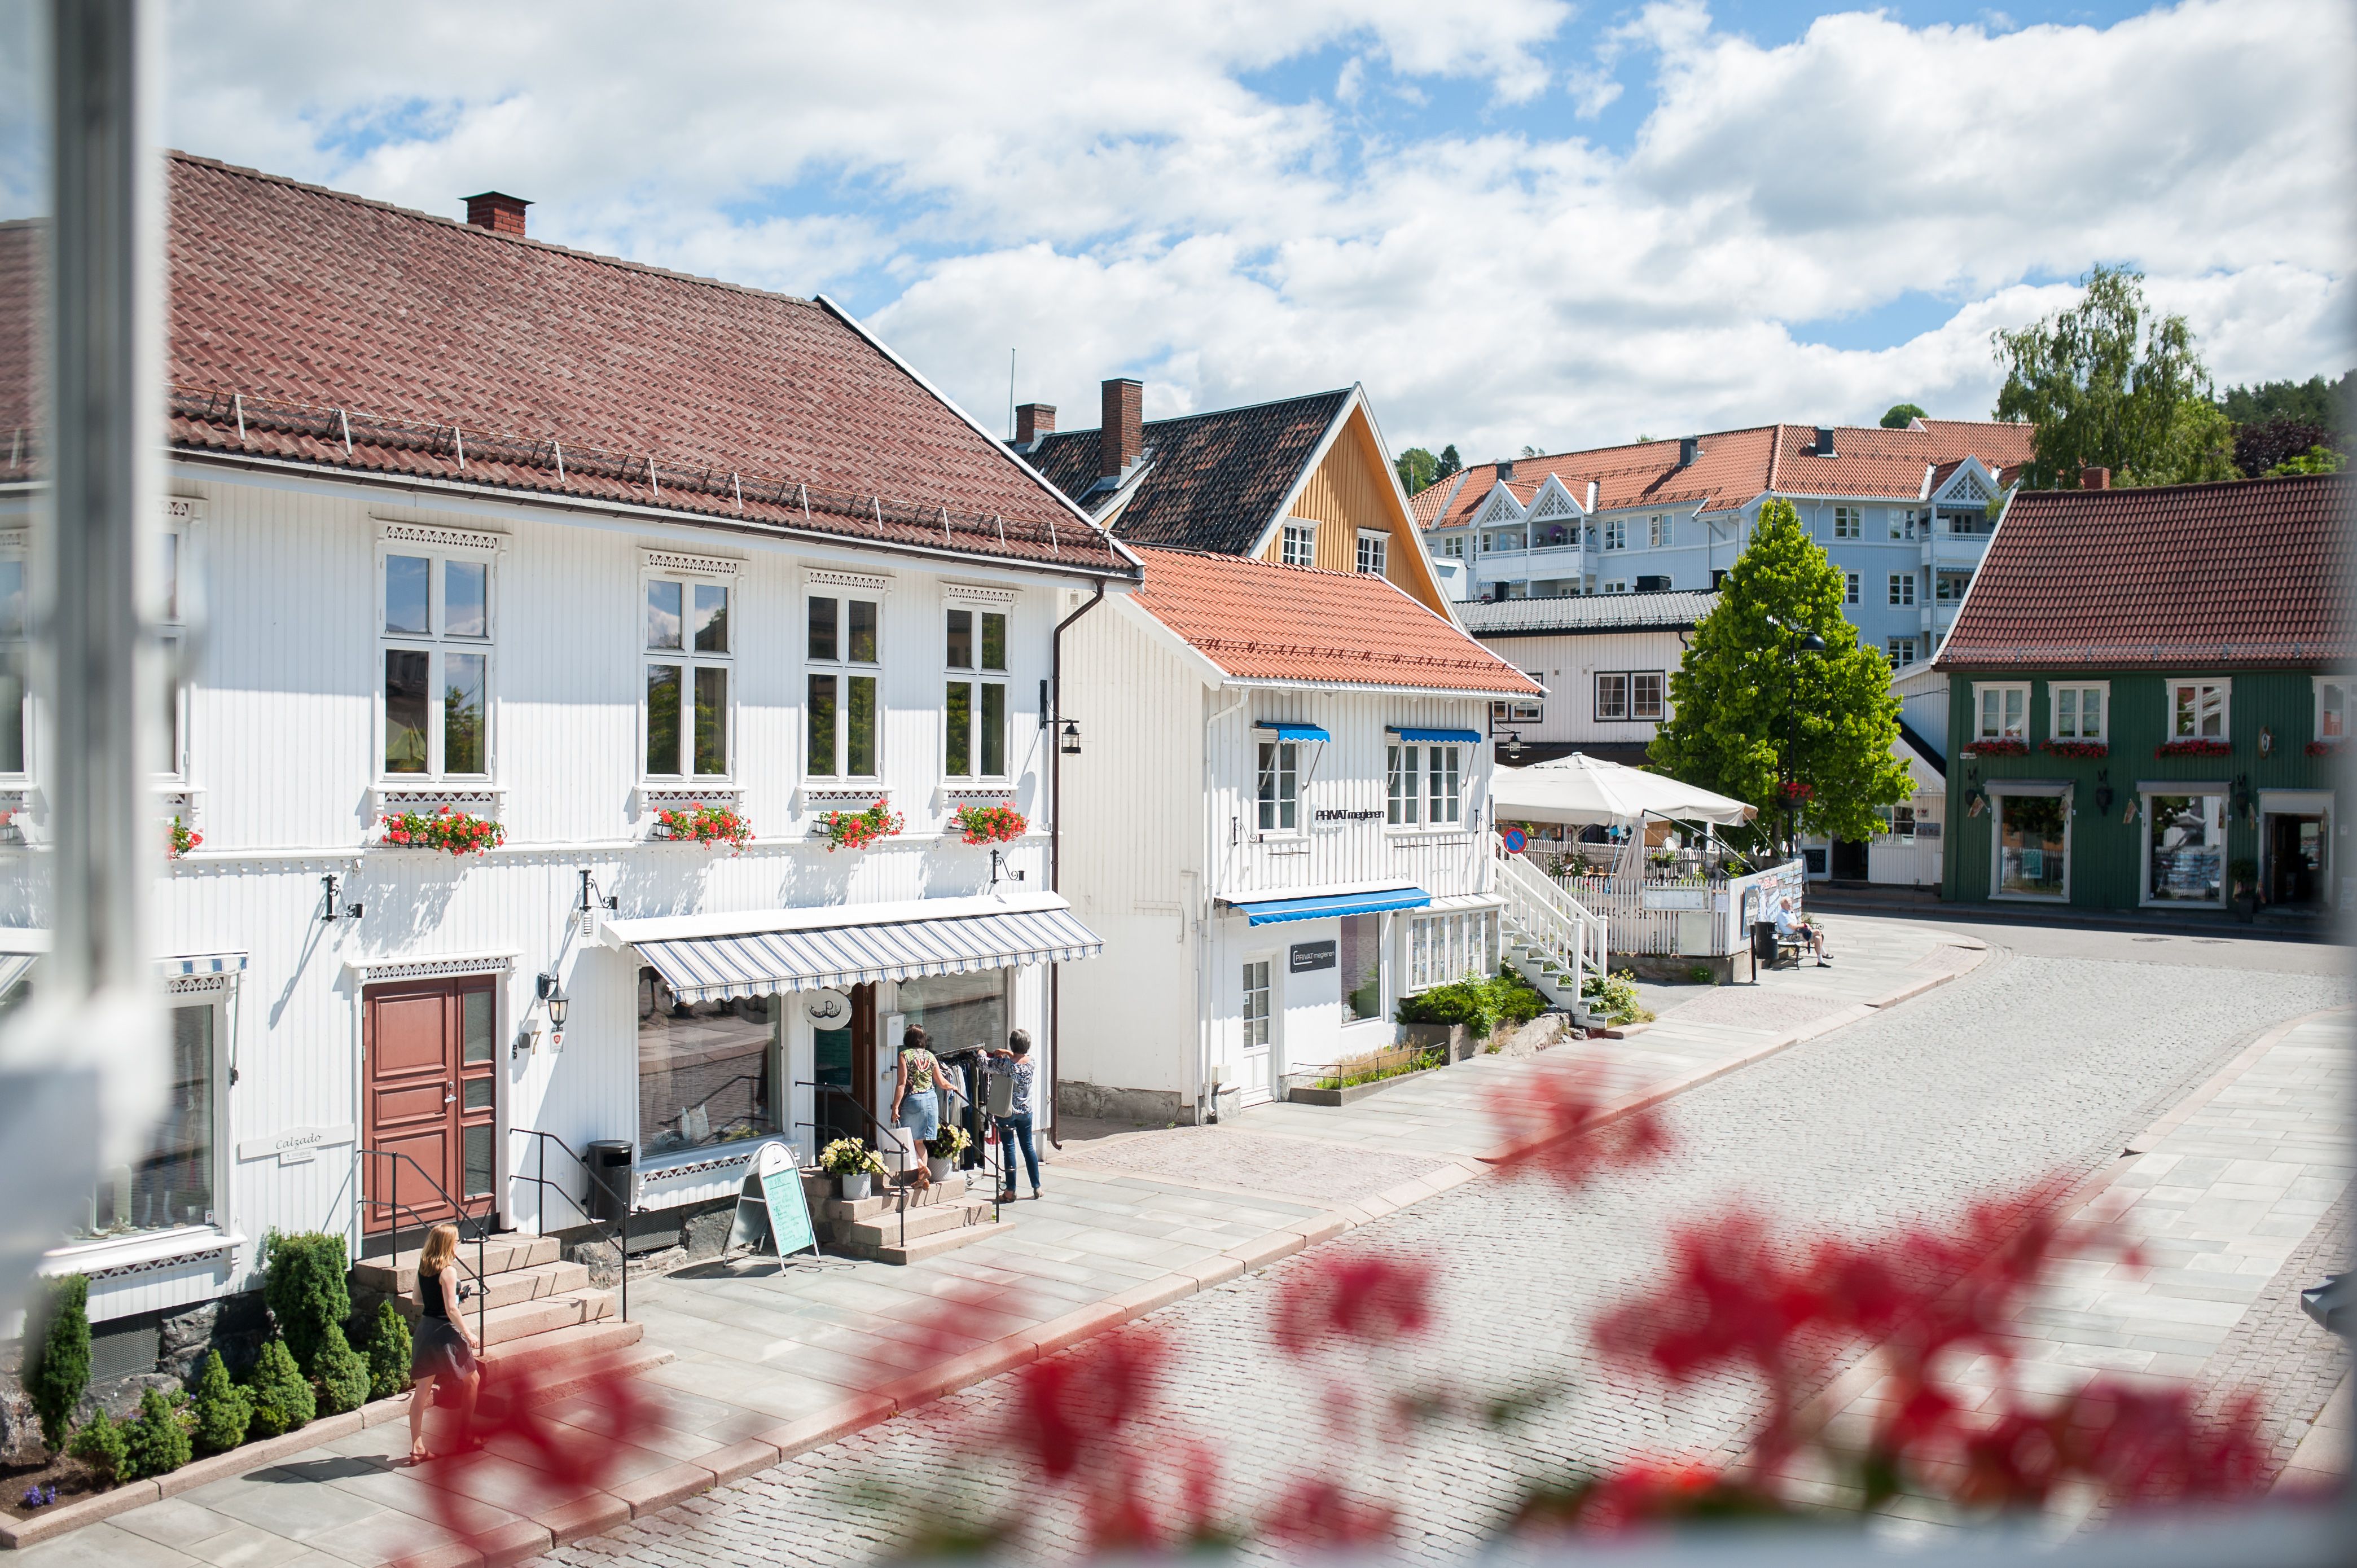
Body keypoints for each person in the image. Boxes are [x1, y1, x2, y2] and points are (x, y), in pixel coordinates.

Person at [406, 1222, 484, 1462]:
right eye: (457, 1239)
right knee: (473, 1380)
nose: (459, 1243)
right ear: (449, 1244)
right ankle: (465, 1436)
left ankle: (417, 1447)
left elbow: (417, 1300)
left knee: (422, 1390)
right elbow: (451, 1309)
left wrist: (455, 1298)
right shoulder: (448, 1271)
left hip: (426, 1330)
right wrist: (469, 1334)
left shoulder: (424, 1268)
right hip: (445, 1333)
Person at [984, 1029, 1042, 1201]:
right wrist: (1008, 1053)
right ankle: (1037, 1186)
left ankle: (1010, 1190)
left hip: (1007, 1111)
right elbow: (1018, 1058)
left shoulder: (1005, 1065)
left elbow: (985, 1064)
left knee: (1009, 1146)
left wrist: (980, 1053)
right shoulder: (1031, 1062)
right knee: (1028, 1147)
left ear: (1012, 1044)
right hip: (1026, 1111)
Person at [891, 1025, 945, 1191]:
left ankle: (922, 1168)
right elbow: (941, 1082)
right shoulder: (931, 1056)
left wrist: (896, 1107)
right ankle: (923, 1179)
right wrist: (953, 1087)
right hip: (931, 1100)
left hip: (914, 1100)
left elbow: (902, 1083)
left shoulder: (904, 1055)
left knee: (904, 1140)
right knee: (920, 1142)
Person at [1775, 896, 1829, 966]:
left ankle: (1820, 960)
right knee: (1818, 932)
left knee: (1818, 938)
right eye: (1787, 904)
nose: (1790, 905)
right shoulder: (1783, 915)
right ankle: (1823, 953)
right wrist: (1805, 925)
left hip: (1798, 934)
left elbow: (1797, 925)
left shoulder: (1790, 912)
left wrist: (1804, 927)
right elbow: (1793, 927)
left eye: (1790, 903)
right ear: (1782, 906)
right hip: (1792, 937)